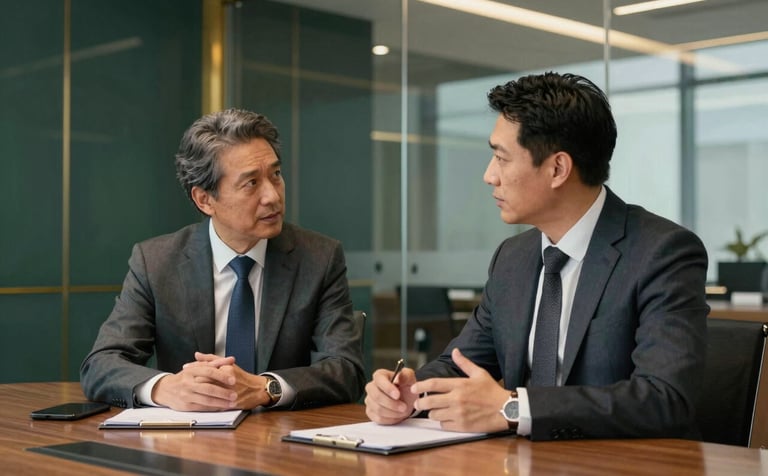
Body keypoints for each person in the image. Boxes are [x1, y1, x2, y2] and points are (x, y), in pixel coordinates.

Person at [364, 72, 709, 441]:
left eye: (501, 158)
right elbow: (462, 363)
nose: (488, 176)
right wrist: (409, 392)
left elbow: (664, 398)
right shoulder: (513, 258)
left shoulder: (662, 253)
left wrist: (513, 408)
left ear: (557, 169)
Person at [81, 108, 365, 411]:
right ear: (204, 199)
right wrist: (165, 388)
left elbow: (346, 368)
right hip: (188, 445)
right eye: (251, 183)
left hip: (283, 442)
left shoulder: (319, 258)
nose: (272, 196)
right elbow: (101, 363)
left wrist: (266, 387)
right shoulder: (156, 262)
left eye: (276, 175)